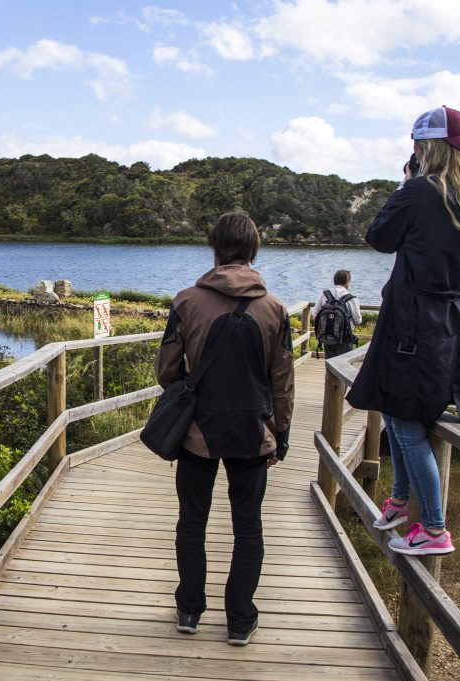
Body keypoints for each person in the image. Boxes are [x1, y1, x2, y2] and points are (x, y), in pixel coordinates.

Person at [347, 105, 460, 556]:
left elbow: (379, 237)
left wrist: (407, 184)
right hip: (454, 328)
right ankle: (398, 500)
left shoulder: (421, 193)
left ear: (425, 148)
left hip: (413, 328)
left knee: (405, 421)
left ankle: (433, 528)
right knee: (397, 410)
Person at [154, 211, 295, 646]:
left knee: (191, 522)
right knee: (248, 526)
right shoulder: (274, 309)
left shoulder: (186, 301)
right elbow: (283, 382)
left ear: (214, 248)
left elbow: (166, 370)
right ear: (253, 251)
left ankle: (189, 610)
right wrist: (281, 434)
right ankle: (239, 619)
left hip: (197, 433)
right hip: (252, 433)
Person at [312, 269, 362, 358]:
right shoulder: (350, 298)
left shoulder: (325, 294)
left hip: (327, 336)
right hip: (345, 338)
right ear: (347, 282)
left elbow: (315, 316)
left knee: (330, 364)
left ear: (335, 280)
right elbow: (357, 320)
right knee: (344, 365)